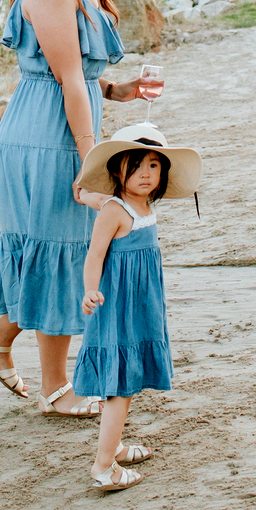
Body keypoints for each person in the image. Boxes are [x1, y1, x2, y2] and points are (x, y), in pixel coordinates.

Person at [0, 0, 161, 416]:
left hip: (60, 124)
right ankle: (56, 388)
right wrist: (90, 162)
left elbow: (80, 74)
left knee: (56, 246)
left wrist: (118, 90)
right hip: (44, 138)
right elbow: (66, 81)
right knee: (61, 248)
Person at [72, 122, 203, 491]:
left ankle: (113, 446)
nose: (146, 174)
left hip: (142, 306)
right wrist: (89, 291)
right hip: (118, 309)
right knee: (120, 386)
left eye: (154, 165)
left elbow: (96, 199)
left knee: (127, 381)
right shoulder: (115, 210)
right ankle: (103, 466)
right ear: (118, 170)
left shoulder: (138, 204)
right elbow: (94, 255)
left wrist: (84, 196)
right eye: (137, 165)